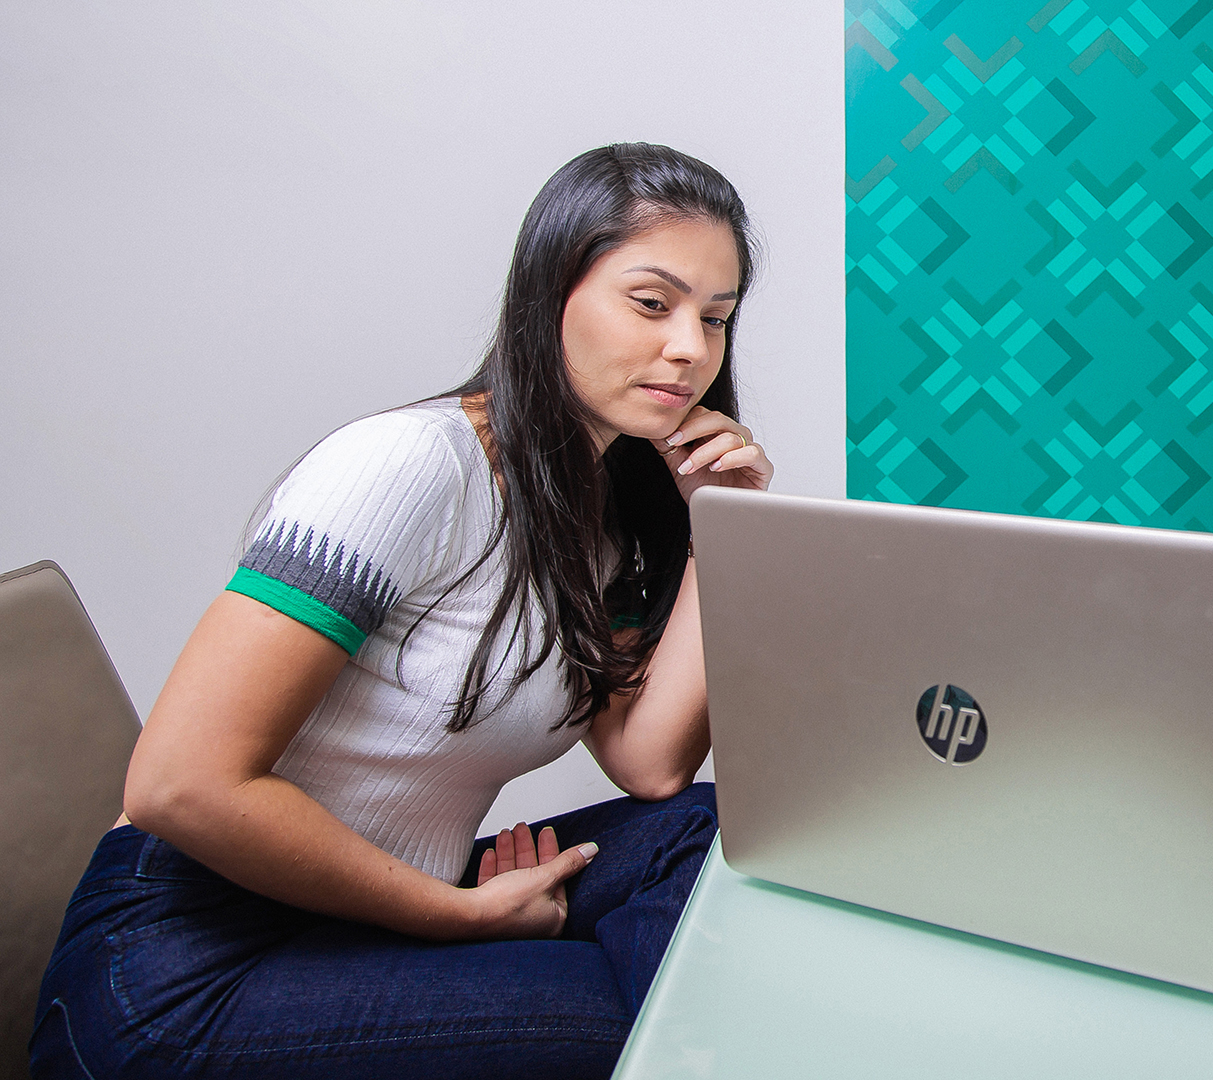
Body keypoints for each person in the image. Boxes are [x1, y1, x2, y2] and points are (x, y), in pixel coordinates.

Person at [31, 143, 772, 1080]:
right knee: (624, 1016)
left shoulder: (610, 515)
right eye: (652, 303)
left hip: (375, 915)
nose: (689, 350)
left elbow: (650, 764)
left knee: (710, 838)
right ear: (550, 295)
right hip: (186, 964)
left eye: (716, 319)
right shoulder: (408, 467)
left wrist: (721, 527)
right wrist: (457, 917)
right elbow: (178, 784)